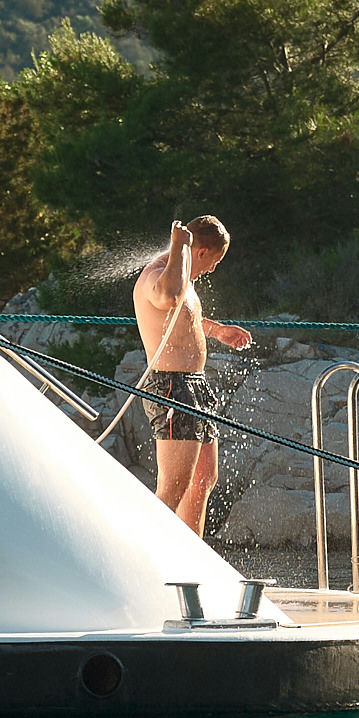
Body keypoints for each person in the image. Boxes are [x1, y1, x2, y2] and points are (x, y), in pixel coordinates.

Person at [132, 214, 250, 535]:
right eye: (213, 262)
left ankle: (189, 556)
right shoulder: (159, 274)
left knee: (203, 480)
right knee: (173, 487)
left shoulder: (183, 277)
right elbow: (168, 298)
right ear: (201, 252)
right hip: (171, 387)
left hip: (194, 386)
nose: (212, 269)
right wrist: (178, 247)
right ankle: (145, 556)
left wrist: (218, 331)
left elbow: (183, 318)